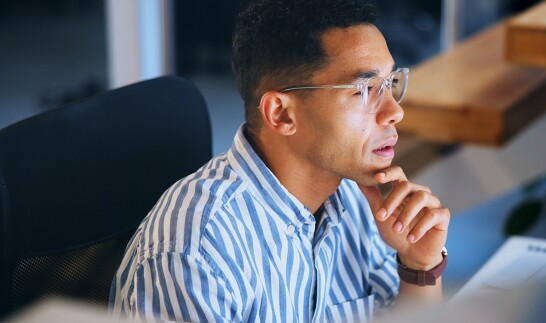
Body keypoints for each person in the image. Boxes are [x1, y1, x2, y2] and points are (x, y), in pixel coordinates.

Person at [109, 0, 451, 322]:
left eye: (390, 83)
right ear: (281, 114)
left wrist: (419, 266)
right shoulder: (195, 252)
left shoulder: (360, 198)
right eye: (364, 90)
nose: (395, 111)